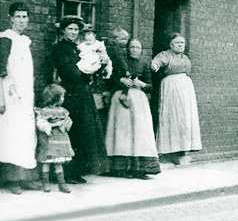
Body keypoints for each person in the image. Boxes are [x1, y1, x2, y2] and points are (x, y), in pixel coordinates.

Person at [51, 15, 108, 183]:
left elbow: (90, 69)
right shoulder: (60, 48)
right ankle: (67, 172)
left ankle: (78, 170)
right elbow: (69, 71)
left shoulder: (79, 48)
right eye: (70, 29)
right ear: (63, 30)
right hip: (70, 93)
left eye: (76, 29)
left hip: (83, 92)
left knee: (84, 131)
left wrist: (96, 68)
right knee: (72, 130)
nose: (73, 32)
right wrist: (84, 71)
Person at [0, 2, 40, 194]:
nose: (22, 21)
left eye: (25, 17)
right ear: (11, 18)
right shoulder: (5, 39)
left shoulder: (25, 41)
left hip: (26, 97)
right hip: (10, 97)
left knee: (26, 135)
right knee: (11, 136)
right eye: (18, 17)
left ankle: (25, 177)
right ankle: (12, 180)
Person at [105, 39, 160, 179]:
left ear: (141, 50)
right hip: (121, 99)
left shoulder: (144, 64)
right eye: (132, 47)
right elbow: (109, 79)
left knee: (139, 133)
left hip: (138, 100)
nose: (134, 50)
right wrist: (120, 80)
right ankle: (121, 168)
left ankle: (139, 169)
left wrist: (142, 84)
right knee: (122, 132)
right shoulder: (119, 62)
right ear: (128, 49)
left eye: (137, 47)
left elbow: (151, 87)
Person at [151, 33, 201, 165]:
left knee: (184, 119)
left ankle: (181, 152)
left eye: (182, 43)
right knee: (171, 118)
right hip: (171, 88)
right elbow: (157, 62)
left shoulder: (185, 57)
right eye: (177, 43)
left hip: (185, 89)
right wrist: (155, 65)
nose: (180, 45)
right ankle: (167, 153)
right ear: (171, 45)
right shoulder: (165, 54)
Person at [35, 84, 74, 193]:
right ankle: (46, 183)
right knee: (47, 161)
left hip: (60, 139)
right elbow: (41, 122)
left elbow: (68, 121)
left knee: (58, 162)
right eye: (62, 96)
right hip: (50, 139)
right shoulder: (44, 111)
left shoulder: (63, 111)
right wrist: (50, 126)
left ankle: (62, 184)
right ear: (55, 98)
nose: (63, 98)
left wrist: (65, 124)